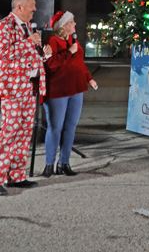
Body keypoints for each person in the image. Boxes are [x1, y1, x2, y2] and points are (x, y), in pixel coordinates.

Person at [0, 0, 51, 195]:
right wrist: (29, 43)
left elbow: (28, 57)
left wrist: (44, 55)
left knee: (24, 132)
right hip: (12, 88)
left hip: (29, 87)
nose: (35, 9)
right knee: (10, 131)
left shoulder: (27, 27)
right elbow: (1, 56)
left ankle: (17, 175)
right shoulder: (1, 27)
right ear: (20, 7)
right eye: (32, 5)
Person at [42, 10, 98, 176]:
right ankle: (49, 164)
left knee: (70, 128)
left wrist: (89, 78)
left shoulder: (74, 41)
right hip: (58, 91)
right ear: (64, 26)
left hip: (77, 89)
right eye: (72, 22)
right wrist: (69, 52)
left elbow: (79, 64)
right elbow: (51, 64)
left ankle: (64, 163)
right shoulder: (53, 41)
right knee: (55, 127)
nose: (75, 24)